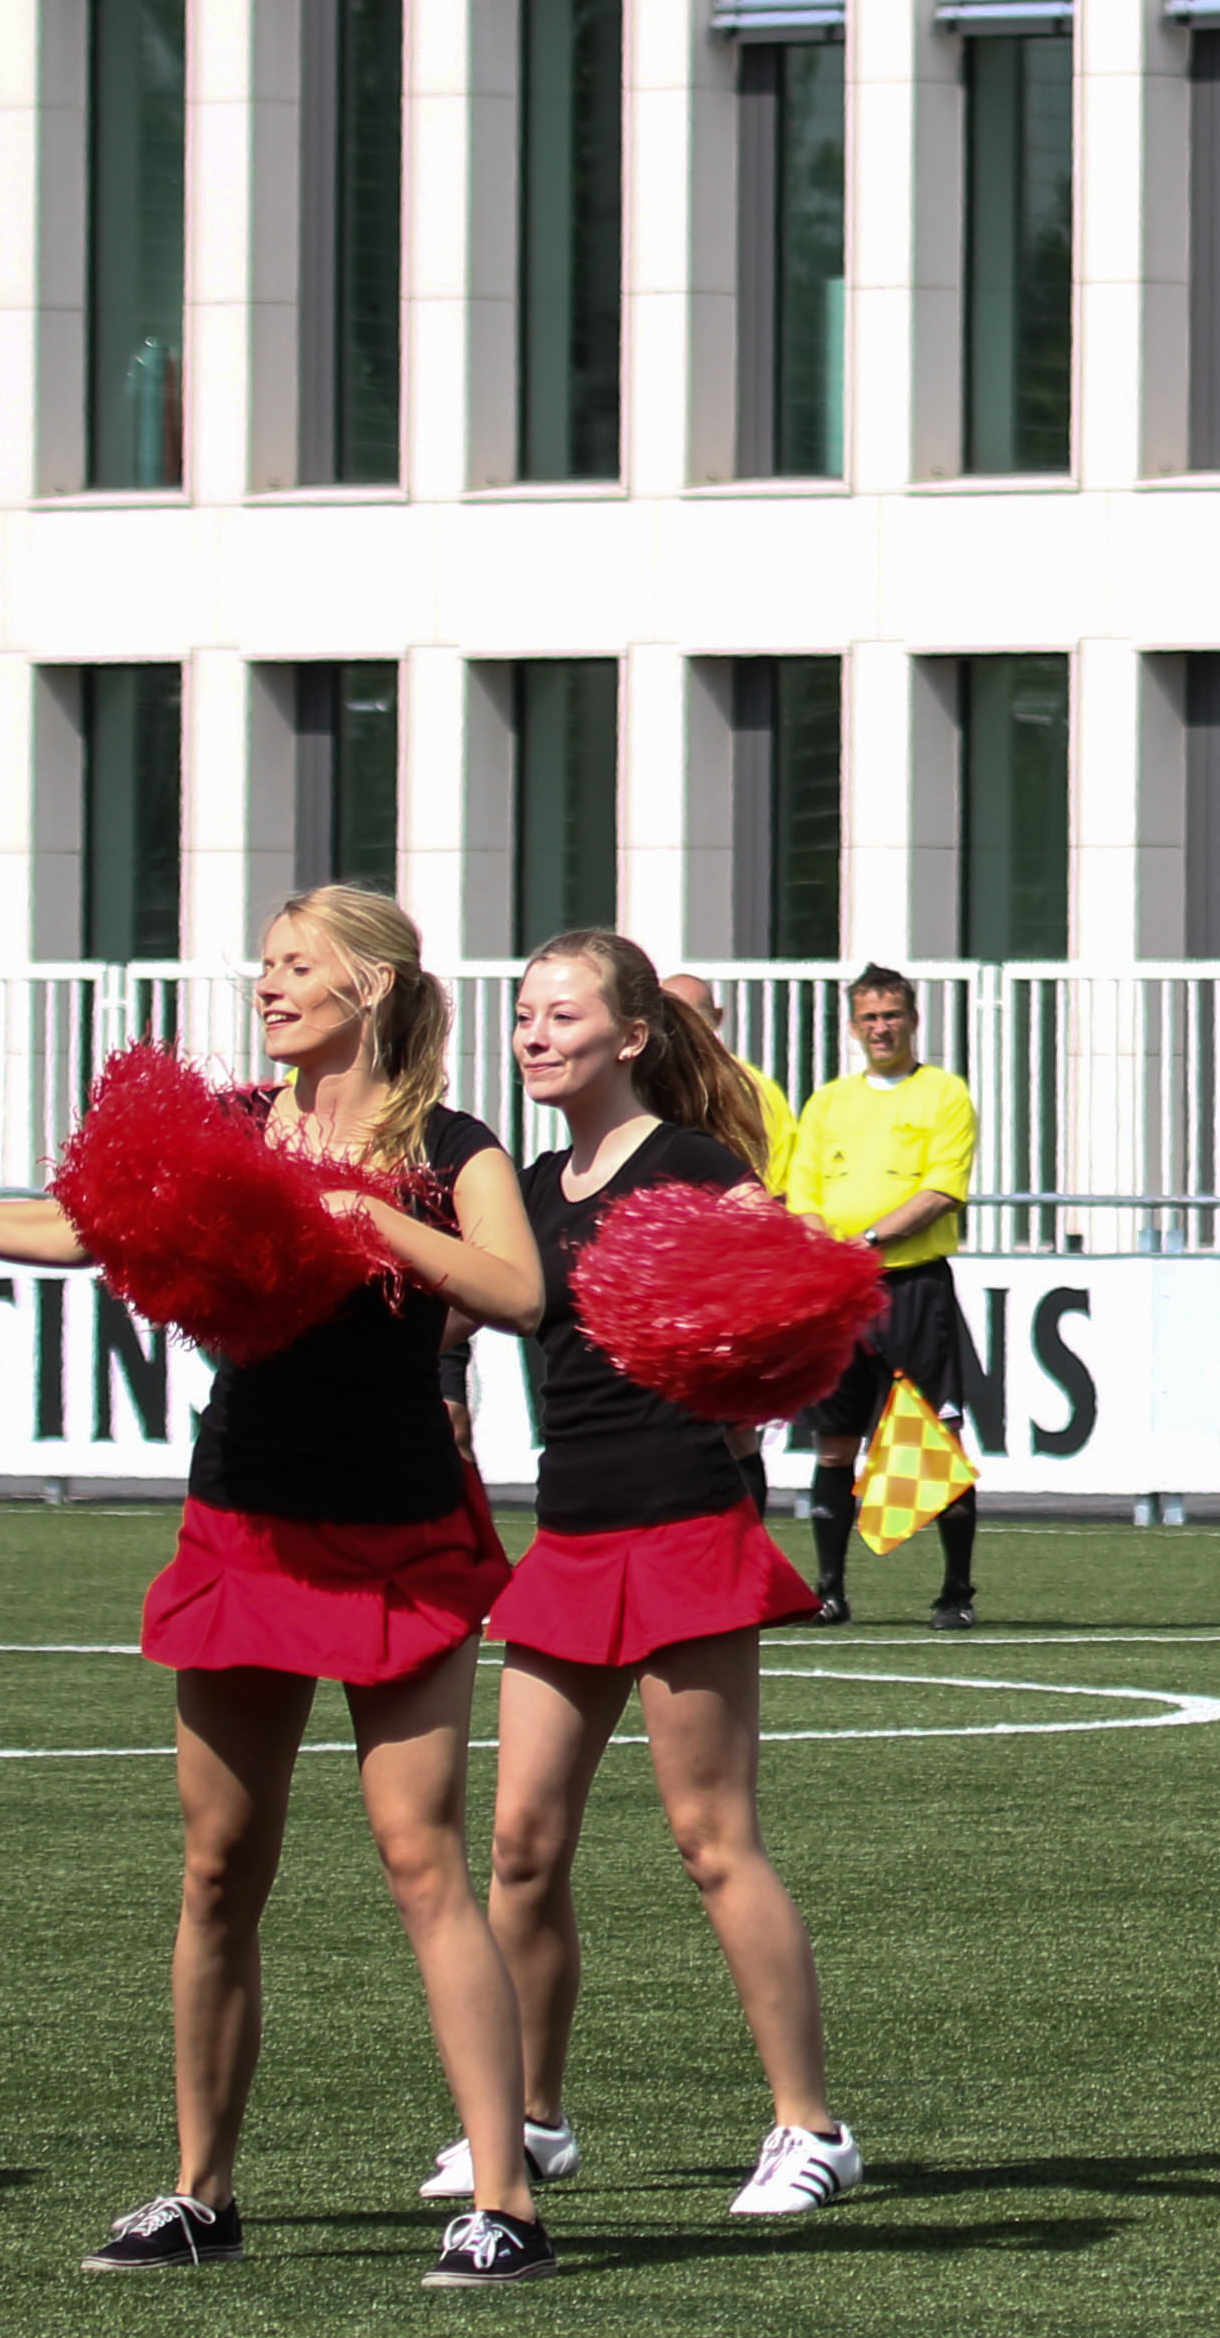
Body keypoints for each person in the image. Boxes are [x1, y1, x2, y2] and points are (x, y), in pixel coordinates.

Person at [0, 887, 558, 2287]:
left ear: (371, 986)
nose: (266, 986)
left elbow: (520, 1292)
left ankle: (504, 2200)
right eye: (264, 966)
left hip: (400, 1530)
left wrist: (368, 1216)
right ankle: (199, 2193)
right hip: (246, 1524)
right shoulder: (222, 1126)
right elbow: (78, 1229)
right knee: (218, 1870)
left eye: (294, 965)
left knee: (421, 1859)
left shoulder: (453, 1147)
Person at [457, 931, 859, 2219]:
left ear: (630, 1035)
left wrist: (746, 1393)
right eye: (524, 1012)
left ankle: (812, 2126)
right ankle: (532, 2119)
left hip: (683, 1523)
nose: (535, 1033)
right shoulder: (524, 1186)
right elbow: (459, 1306)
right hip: (570, 1533)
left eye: (562, 1013)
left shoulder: (694, 1166)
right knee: (520, 1844)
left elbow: (801, 1295)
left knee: (711, 1836)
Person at [786, 967, 986, 1627]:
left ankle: (956, 1592)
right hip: (841, 1289)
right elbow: (803, 1192)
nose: (882, 1028)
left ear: (913, 1020)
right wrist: (827, 1248)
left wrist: (866, 1240)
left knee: (934, 1439)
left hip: (912, 1288)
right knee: (834, 1441)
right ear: (852, 1026)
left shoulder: (943, 1094)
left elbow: (941, 1190)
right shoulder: (827, 1103)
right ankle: (829, 1591)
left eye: (892, 1015)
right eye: (870, 1017)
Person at [665, 972, 801, 1199]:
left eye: (690, 1019)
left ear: (717, 1017)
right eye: (668, 1019)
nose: (677, 1030)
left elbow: (777, 1187)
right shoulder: (641, 1085)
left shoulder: (754, 1091)